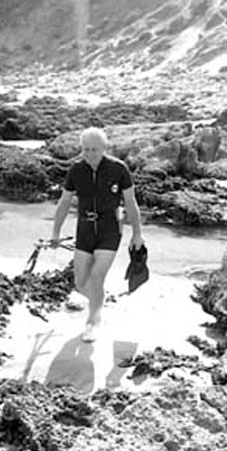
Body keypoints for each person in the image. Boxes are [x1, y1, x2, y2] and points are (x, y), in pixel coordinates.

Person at [51, 126, 144, 342]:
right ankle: (99, 300)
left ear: (103, 148)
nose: (90, 154)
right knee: (80, 282)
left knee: (96, 277)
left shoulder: (118, 169)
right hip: (84, 229)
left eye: (94, 149)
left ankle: (93, 320)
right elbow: (64, 202)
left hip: (110, 229)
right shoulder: (76, 170)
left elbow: (130, 203)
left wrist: (137, 234)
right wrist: (55, 232)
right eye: (85, 149)